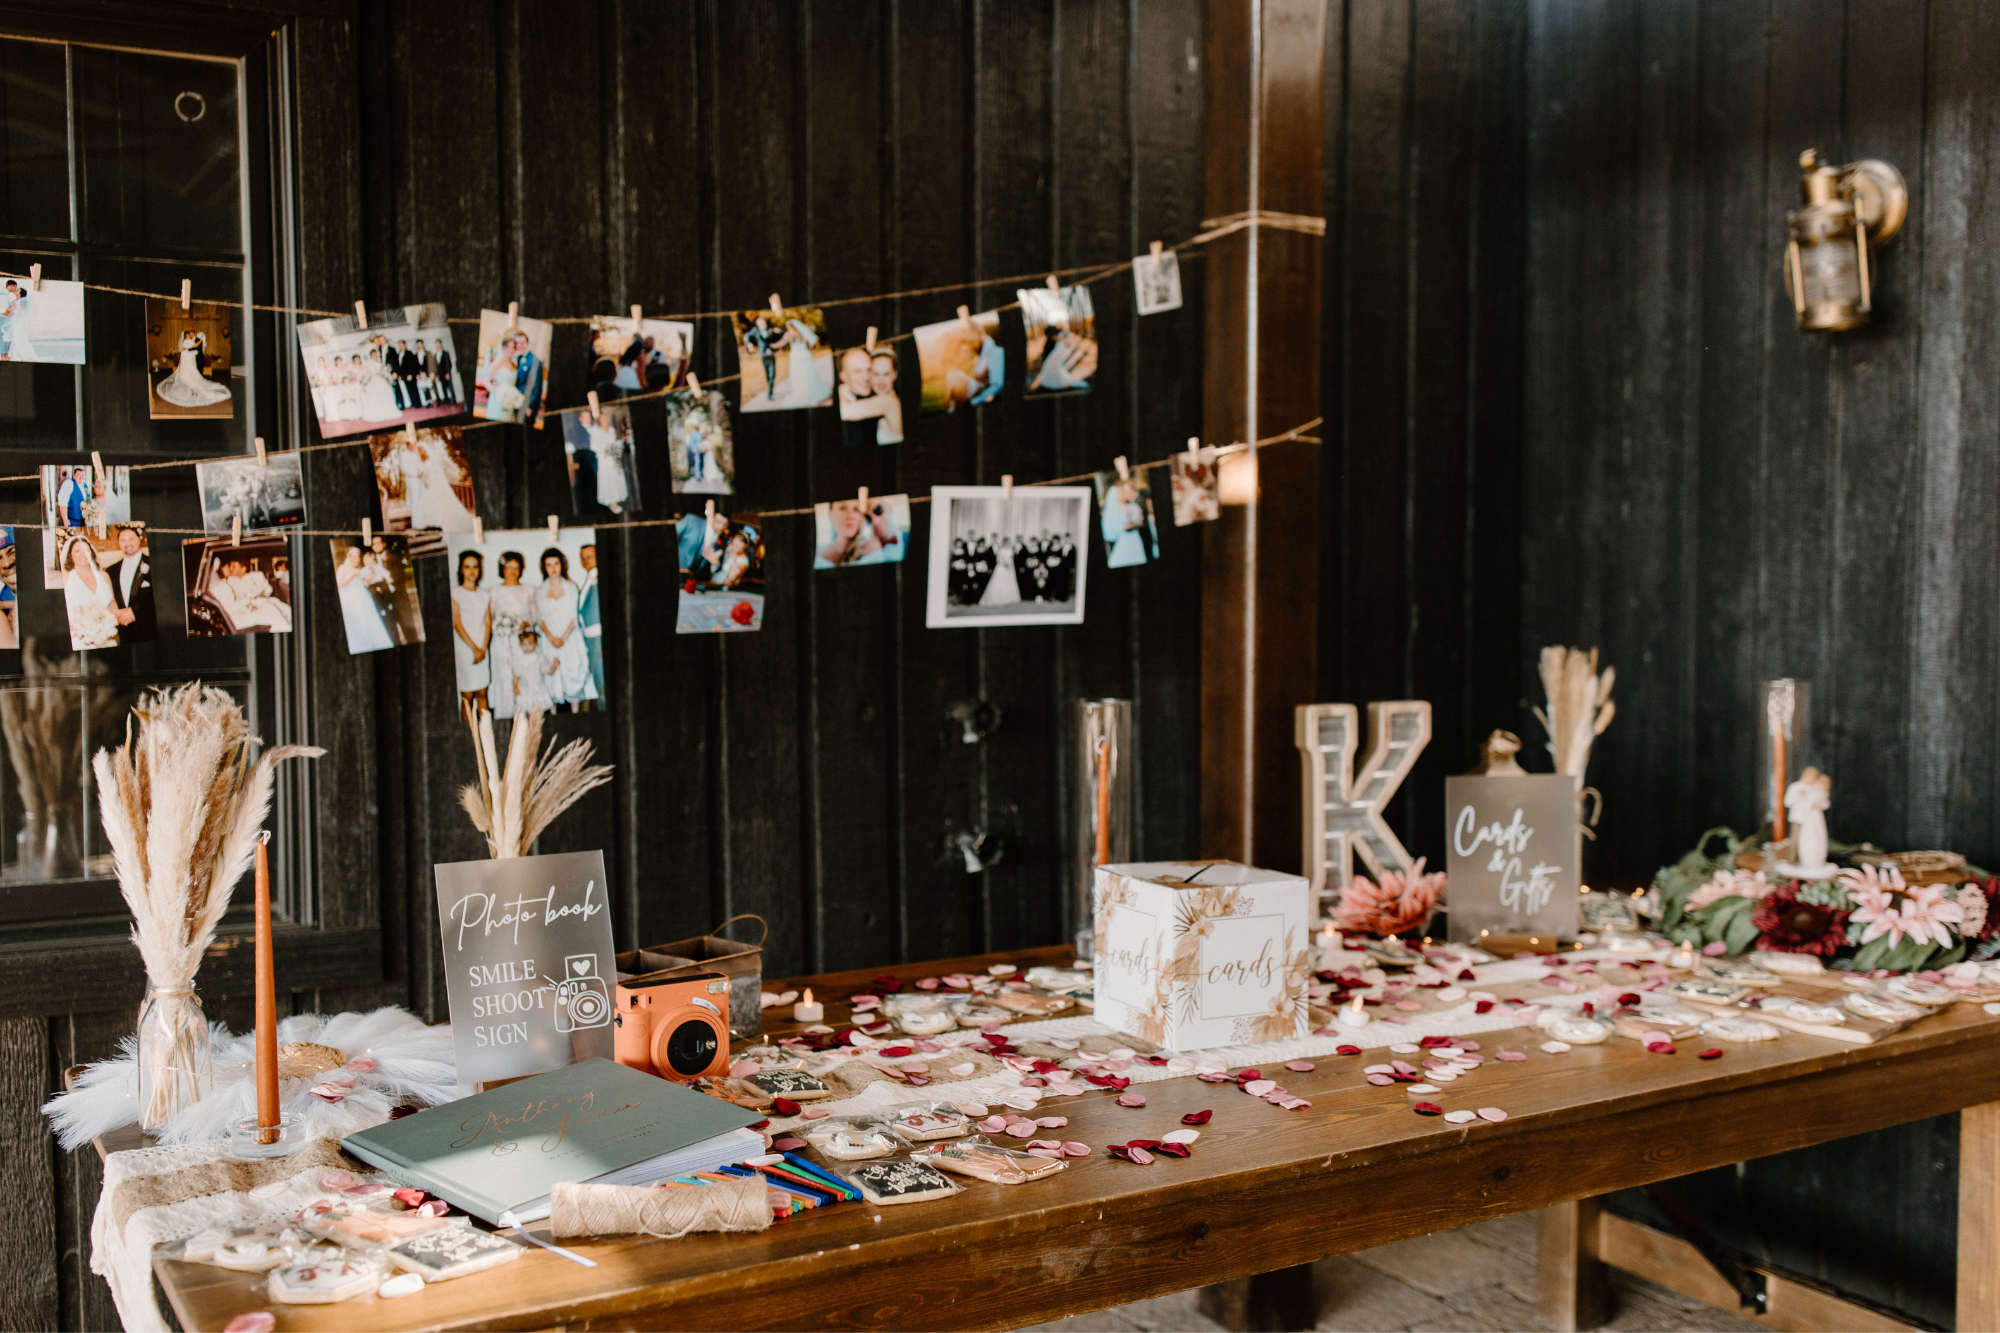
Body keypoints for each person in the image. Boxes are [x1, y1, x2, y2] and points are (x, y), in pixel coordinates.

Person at [535, 548, 594, 708]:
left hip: (569, 637)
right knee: (552, 678)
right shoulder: (540, 590)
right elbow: (540, 618)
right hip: (549, 639)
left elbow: (575, 616)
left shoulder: (571, 587)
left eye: (556, 563)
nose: (553, 568)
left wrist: (563, 637)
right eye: (549, 564)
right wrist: (551, 637)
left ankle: (575, 712)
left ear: (562, 565)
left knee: (572, 673)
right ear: (544, 567)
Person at [486, 551, 534, 718]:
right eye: (509, 566)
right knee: (504, 678)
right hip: (500, 643)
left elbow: (534, 617)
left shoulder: (528, 590)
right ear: (502, 568)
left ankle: (524, 717)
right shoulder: (493, 591)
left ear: (521, 569)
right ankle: (504, 715)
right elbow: (487, 618)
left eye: (516, 567)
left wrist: (522, 624)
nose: (512, 570)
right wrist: (500, 624)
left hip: (521, 642)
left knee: (522, 677)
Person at [451, 550, 491, 718]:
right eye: (467, 567)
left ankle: (486, 732)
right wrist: (474, 649)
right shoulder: (455, 593)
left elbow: (488, 622)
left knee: (482, 692)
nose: (472, 571)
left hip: (482, 647)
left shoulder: (484, 594)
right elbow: (457, 624)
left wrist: (483, 648)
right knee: (467, 696)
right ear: (461, 569)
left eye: (475, 566)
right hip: (465, 648)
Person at [334, 543, 394, 653]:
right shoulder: (343, 568)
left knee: (372, 623)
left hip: (364, 601)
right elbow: (338, 585)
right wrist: (352, 576)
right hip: (350, 602)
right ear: (349, 557)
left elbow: (366, 580)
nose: (357, 559)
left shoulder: (362, 569)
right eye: (354, 557)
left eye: (358, 557)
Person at [210, 554, 292, 632]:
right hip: (241, 612)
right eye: (230, 566)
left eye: (234, 566)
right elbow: (233, 604)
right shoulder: (229, 582)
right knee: (271, 612)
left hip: (252, 604)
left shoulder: (256, 576)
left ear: (243, 567)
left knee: (276, 605)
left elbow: (267, 590)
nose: (231, 569)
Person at [61, 536, 118, 649]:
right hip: (79, 639)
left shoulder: (104, 576)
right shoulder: (66, 577)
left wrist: (110, 626)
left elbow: (112, 604)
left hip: (106, 637)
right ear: (70, 555)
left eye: (86, 550)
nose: (83, 554)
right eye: (77, 551)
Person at [156, 330, 232, 410]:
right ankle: (186, 380)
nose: (189, 336)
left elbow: (192, 347)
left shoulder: (189, 340)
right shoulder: (186, 341)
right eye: (188, 335)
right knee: (186, 368)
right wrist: (201, 340)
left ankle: (188, 379)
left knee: (189, 368)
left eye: (190, 334)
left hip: (186, 355)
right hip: (186, 356)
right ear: (186, 336)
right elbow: (195, 345)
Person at [108, 525, 154, 644]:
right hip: (123, 631)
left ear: (139, 539)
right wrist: (118, 614)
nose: (127, 543)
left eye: (131, 539)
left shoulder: (153, 564)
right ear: (118, 543)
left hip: (148, 628)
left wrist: (134, 611)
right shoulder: (111, 570)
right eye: (123, 540)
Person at [586, 410, 629, 513]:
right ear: (599, 420)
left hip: (613, 459)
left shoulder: (611, 429)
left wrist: (620, 442)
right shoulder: (597, 431)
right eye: (603, 418)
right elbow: (593, 446)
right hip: (604, 460)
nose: (605, 419)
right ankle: (612, 502)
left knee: (615, 478)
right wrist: (604, 449)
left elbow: (614, 443)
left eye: (606, 417)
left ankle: (617, 500)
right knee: (608, 479)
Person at [782, 316, 829, 406]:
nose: (789, 328)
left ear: (793, 327)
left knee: (806, 373)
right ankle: (801, 391)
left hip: (801, 356)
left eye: (789, 327)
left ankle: (807, 392)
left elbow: (810, 339)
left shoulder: (798, 334)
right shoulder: (792, 334)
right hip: (798, 356)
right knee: (799, 374)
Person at [510, 625, 557, 714]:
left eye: (530, 643)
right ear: (520, 645)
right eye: (524, 644)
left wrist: (554, 665)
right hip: (525, 690)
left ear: (535, 644)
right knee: (527, 711)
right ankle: (530, 727)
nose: (527, 647)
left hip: (537, 690)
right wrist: (515, 686)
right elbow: (516, 675)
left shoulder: (539, 659)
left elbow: (549, 671)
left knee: (539, 712)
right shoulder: (518, 660)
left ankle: (538, 726)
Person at [818, 499, 879, 567]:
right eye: (842, 508)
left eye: (856, 509)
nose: (850, 515)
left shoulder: (871, 546)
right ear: (831, 514)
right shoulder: (818, 552)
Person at [577, 543, 603, 705]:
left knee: (603, 684)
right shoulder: (589, 579)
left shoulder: (600, 579)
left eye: (590, 556)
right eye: (583, 557)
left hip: (599, 640)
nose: (585, 560)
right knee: (598, 681)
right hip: (590, 640)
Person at [741, 314, 782, 402]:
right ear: (758, 324)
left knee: (772, 374)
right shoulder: (755, 331)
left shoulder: (770, 329)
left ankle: (769, 394)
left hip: (771, 355)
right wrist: (750, 345)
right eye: (761, 322)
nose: (764, 323)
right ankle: (770, 386)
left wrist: (778, 332)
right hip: (763, 355)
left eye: (764, 322)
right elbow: (746, 336)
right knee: (767, 374)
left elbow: (780, 335)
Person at [358, 348, 401, 422]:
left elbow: (382, 370)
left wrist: (384, 373)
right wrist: (381, 373)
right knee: (377, 395)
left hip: (382, 379)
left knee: (386, 393)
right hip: (375, 380)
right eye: (373, 354)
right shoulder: (369, 362)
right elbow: (372, 372)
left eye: (376, 353)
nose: (375, 355)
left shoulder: (379, 361)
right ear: (371, 354)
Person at [870, 351, 903, 443]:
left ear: (894, 375)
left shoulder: (890, 402)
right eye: (876, 374)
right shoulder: (874, 400)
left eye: (886, 374)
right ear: (870, 375)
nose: (881, 381)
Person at [431, 337, 457, 405]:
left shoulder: (446, 353)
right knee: (443, 388)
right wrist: (437, 375)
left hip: (446, 374)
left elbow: (449, 364)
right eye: (436, 344)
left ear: (441, 344)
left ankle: (453, 401)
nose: (437, 345)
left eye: (438, 343)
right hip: (440, 375)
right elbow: (436, 366)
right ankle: (446, 400)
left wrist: (448, 373)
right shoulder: (435, 355)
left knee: (450, 387)